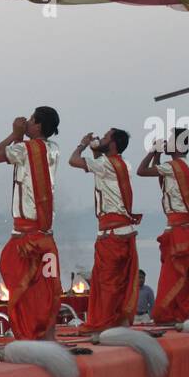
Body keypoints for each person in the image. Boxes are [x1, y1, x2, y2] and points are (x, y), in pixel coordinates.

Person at [0, 106, 62, 340]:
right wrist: (20, 136)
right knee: (47, 289)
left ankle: (28, 335)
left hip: (26, 236)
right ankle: (46, 335)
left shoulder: (25, 149)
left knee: (24, 286)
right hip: (45, 236)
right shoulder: (53, 149)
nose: (26, 122)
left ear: (38, 126)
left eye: (30, 120)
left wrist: (14, 134)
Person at [68, 127, 141, 332]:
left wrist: (82, 144)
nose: (102, 137)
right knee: (116, 283)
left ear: (113, 144)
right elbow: (99, 165)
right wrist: (97, 148)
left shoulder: (105, 164)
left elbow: (73, 161)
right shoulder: (122, 163)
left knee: (107, 283)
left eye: (106, 137)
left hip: (112, 235)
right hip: (123, 232)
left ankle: (103, 324)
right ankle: (114, 322)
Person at [138, 127, 189, 324]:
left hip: (178, 230)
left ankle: (166, 314)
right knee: (179, 278)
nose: (166, 142)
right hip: (185, 229)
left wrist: (152, 151)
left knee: (171, 276)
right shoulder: (185, 167)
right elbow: (161, 174)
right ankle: (177, 313)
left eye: (170, 140)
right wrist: (158, 155)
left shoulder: (173, 167)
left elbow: (142, 171)